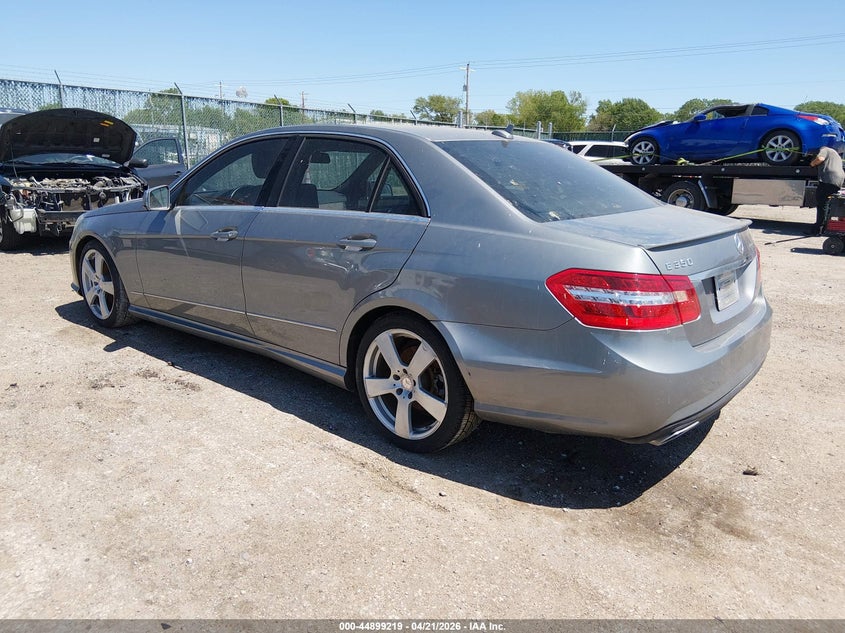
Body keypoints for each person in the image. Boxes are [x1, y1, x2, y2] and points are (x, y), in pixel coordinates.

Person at [808, 144, 845, 234]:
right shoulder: (836, 154)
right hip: (839, 180)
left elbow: (820, 159)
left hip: (828, 179)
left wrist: (812, 164)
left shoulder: (824, 149)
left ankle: (817, 230)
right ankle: (825, 227)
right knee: (828, 205)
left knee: (822, 204)